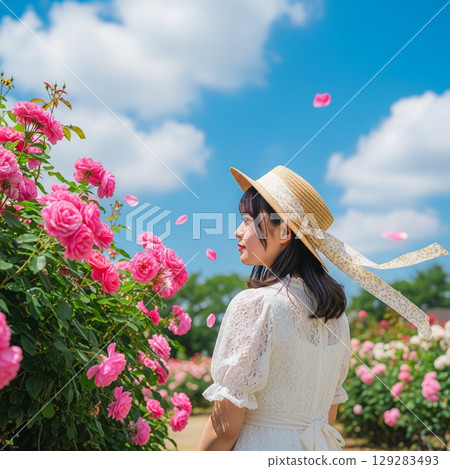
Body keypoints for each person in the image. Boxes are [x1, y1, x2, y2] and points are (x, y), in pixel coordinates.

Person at [197, 165, 448, 451]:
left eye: (248, 220)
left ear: (284, 232)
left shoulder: (255, 304)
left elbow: (225, 429)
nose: (237, 231)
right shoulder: (335, 316)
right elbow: (328, 415)